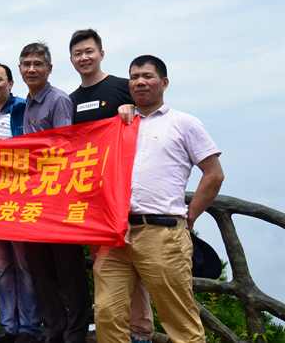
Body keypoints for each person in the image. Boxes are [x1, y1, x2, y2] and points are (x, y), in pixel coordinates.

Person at [95, 55, 224, 343]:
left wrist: (189, 217)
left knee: (179, 321)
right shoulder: (119, 124)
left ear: (164, 83)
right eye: (134, 77)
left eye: (147, 76)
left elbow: (214, 174)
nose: (140, 82)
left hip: (162, 233)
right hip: (116, 235)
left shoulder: (184, 123)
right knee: (107, 314)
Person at [68, 29, 153, 343]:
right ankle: (114, 332)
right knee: (104, 265)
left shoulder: (121, 86)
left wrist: (132, 110)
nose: (84, 58)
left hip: (125, 193)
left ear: (101, 54)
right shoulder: (70, 100)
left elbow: (151, 119)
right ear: (71, 59)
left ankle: (140, 333)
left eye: (89, 51)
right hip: (91, 196)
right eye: (78, 53)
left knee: (133, 264)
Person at [19, 42, 90, 343]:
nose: (32, 69)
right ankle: (53, 327)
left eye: (38, 64)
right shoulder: (27, 102)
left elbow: (64, 148)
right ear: (20, 69)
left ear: (49, 68)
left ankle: (75, 331)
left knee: (68, 267)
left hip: (59, 197)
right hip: (33, 198)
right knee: (38, 265)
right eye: (26, 64)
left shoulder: (58, 99)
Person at [0, 62, 40, 343]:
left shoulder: (23, 109)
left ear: (11, 83)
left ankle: (29, 327)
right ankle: (9, 326)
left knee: (24, 263)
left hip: (21, 198)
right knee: (2, 265)